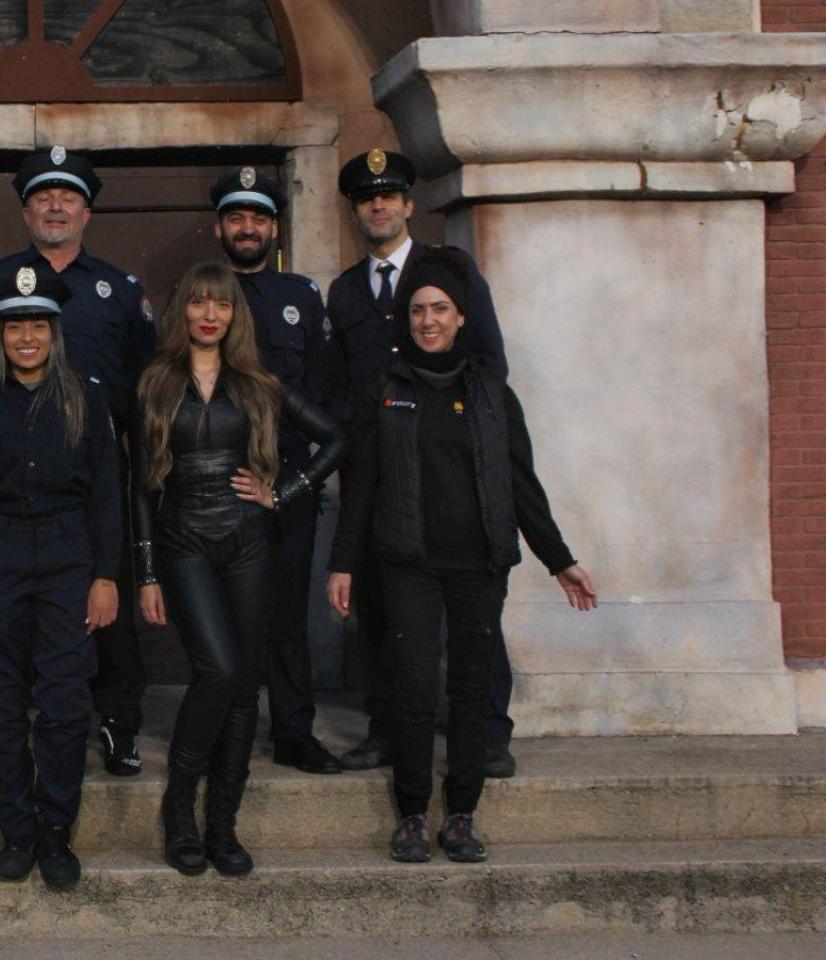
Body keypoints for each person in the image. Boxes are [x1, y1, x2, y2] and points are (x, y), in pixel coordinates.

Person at [326, 247, 597, 864]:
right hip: (406, 563)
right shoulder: (383, 390)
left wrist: (559, 559)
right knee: (415, 688)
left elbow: (522, 485)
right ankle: (415, 813)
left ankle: (464, 815)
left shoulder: (492, 393)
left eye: (440, 309)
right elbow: (361, 483)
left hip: (479, 565)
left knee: (471, 691)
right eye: (418, 310)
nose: (428, 320)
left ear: (461, 317)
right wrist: (342, 562)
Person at [133, 262, 345, 877]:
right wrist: (146, 572)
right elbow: (140, 487)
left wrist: (285, 489)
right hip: (184, 543)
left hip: (251, 543)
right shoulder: (155, 382)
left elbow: (336, 438)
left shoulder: (258, 381)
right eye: (198, 303)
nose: (208, 314)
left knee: (244, 680)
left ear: (234, 315)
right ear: (183, 313)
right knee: (218, 668)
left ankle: (221, 824)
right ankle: (179, 812)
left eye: (220, 305)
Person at [0, 146, 156, 777]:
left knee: (104, 599)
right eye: (43, 197)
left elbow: (145, 378)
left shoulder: (118, 289)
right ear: (25, 210)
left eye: (68, 196)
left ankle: (118, 726)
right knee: (10, 625)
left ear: (86, 210)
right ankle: (13, 739)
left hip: (90, 471)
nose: (55, 206)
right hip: (12, 468)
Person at [322, 148, 519, 778]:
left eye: (389, 195)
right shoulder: (347, 290)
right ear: (355, 210)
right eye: (365, 198)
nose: (378, 206)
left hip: (450, 468)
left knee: (472, 612)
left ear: (409, 204)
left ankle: (487, 731)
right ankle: (387, 726)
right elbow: (343, 386)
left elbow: (489, 366)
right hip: (380, 475)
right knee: (383, 609)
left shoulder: (447, 272)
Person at [0, 263, 121, 891]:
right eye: (14, 324)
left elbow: (105, 494)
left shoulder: (87, 397)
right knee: (2, 704)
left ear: (54, 331)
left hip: (69, 555)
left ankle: (55, 831)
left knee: (66, 703)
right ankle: (16, 832)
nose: (26, 336)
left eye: (37, 323)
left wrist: (107, 576)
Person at [209, 166, 342, 775]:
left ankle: (293, 732)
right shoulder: (202, 296)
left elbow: (321, 395)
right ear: (219, 227)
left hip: (285, 481)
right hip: (219, 482)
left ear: (273, 227)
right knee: (220, 616)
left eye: (258, 217)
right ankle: (219, 731)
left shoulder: (300, 298)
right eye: (237, 217)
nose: (247, 227)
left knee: (288, 617)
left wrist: (292, 485)